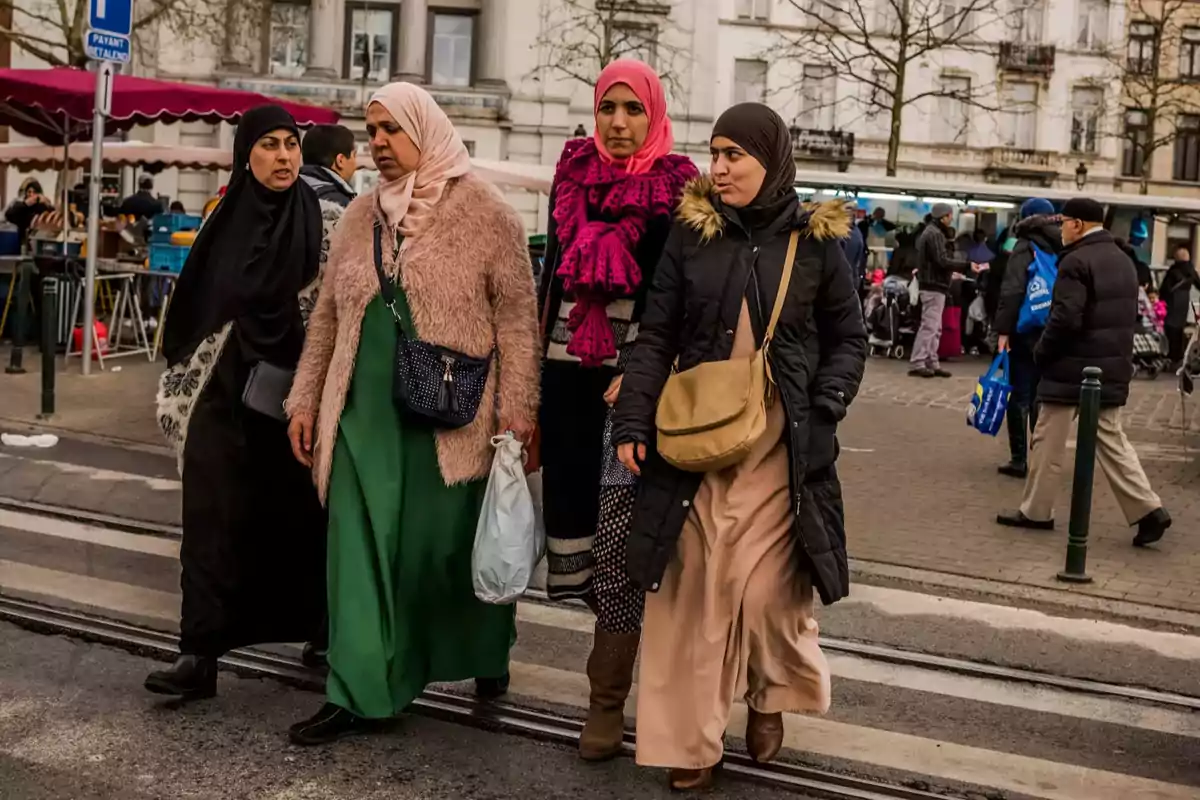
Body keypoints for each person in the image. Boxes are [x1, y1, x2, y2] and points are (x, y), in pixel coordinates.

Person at [611, 102, 867, 791]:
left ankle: (770, 696)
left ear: (770, 160)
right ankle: (692, 743)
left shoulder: (817, 243)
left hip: (782, 452)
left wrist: (830, 398)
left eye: (734, 156)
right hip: (693, 449)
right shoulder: (691, 236)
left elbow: (849, 338)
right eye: (714, 154)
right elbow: (655, 335)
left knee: (763, 597)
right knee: (691, 597)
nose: (718, 168)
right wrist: (633, 422)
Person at [284, 82, 540, 745]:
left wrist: (518, 414)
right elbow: (326, 319)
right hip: (360, 412)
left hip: (450, 416)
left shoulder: (488, 213)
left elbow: (516, 322)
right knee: (356, 548)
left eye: (391, 129)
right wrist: (305, 400)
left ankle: (483, 654)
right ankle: (360, 689)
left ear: (424, 130)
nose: (377, 143)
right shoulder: (358, 217)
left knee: (442, 552)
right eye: (370, 131)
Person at [537, 59, 698, 762]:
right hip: (566, 379)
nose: (621, 123)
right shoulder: (570, 176)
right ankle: (616, 686)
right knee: (574, 534)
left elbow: (681, 301)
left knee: (620, 545)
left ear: (654, 113)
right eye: (610, 109)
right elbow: (549, 284)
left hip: (633, 394)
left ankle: (605, 705)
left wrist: (637, 372)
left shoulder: (679, 189)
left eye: (635, 110)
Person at [147, 105, 331, 700]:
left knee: (306, 521)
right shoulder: (221, 221)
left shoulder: (327, 220)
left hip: (296, 400)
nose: (283, 157)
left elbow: (339, 311)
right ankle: (198, 654)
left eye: (292, 145)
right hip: (222, 397)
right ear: (244, 154)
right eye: (270, 145)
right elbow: (194, 309)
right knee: (208, 521)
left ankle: (322, 632)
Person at [997, 198, 1172, 548]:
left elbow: (1065, 318)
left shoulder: (1075, 261)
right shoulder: (1123, 259)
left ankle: (1036, 511)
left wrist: (1042, 352)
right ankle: (1149, 509)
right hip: (1110, 366)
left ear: (1077, 224)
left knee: (1048, 440)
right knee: (1111, 439)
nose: (1060, 228)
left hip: (1072, 369)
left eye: (1063, 222)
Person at [993, 198, 1060, 479]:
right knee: (1041, 395)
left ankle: (1019, 458)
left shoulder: (1024, 245)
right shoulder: (1064, 244)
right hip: (1054, 328)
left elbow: (1012, 291)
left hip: (1026, 329)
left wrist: (1003, 330)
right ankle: (1042, 457)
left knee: (1019, 393)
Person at [909, 203, 970, 378]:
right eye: (950, 215)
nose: (951, 219)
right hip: (933, 286)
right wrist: (965, 265)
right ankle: (918, 361)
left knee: (935, 327)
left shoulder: (931, 232)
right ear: (943, 217)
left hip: (934, 285)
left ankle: (931, 361)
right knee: (930, 326)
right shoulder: (934, 234)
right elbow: (942, 260)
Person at [300, 124, 359, 211]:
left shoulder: (289, 191)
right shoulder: (339, 204)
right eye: (354, 155)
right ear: (340, 161)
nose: (356, 164)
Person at [1159, 247, 1200, 366]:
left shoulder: (1173, 270)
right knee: (1179, 328)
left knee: (1169, 328)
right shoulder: (1191, 270)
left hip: (1171, 301)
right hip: (1183, 303)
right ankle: (1178, 355)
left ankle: (1171, 354)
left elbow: (1165, 288)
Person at [5, 179, 53, 247]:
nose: (31, 195)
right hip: (23, 242)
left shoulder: (42, 207)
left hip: (38, 241)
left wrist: (48, 204)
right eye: (29, 192)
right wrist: (26, 204)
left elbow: (52, 217)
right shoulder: (21, 206)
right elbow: (9, 215)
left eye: (34, 192)